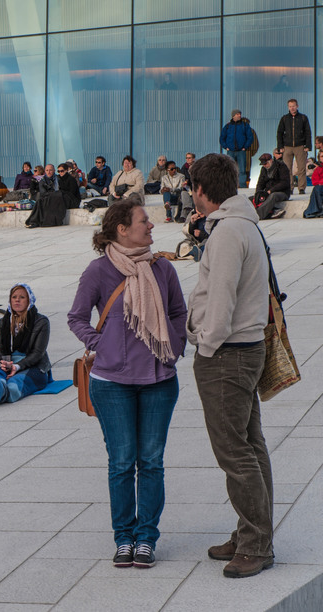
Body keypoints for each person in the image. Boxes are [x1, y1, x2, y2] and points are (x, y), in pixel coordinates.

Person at [68, 200, 187, 571]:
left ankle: (146, 538)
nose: (151, 225)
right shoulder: (99, 271)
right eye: (143, 221)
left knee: (151, 462)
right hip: (112, 383)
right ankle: (124, 538)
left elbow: (178, 312)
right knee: (121, 463)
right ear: (121, 228)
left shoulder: (162, 268)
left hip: (158, 380)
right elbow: (76, 317)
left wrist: (174, 345)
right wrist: (100, 343)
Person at [186, 153, 274, 579]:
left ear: (202, 190)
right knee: (250, 446)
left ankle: (256, 544)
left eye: (192, 188)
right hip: (246, 349)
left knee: (236, 453)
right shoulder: (245, 224)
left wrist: (205, 345)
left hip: (227, 355)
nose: (191, 195)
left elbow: (219, 304)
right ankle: (250, 533)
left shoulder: (225, 235)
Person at [0, 284, 51, 406]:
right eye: (14, 297)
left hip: (33, 365)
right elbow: (1, 349)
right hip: (10, 362)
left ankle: (2, 393)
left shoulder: (41, 322)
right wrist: (6, 363)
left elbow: (38, 353)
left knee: (18, 381)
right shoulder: (4, 322)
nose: (17, 300)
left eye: (22, 297)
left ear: (29, 300)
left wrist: (17, 366)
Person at [277, 98, 312, 194]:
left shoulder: (303, 118)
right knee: (287, 168)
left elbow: (308, 132)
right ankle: (289, 187)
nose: (292, 108)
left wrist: (308, 145)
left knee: (301, 168)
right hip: (287, 146)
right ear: (288, 107)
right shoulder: (284, 118)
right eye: (290, 106)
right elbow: (279, 133)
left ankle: (301, 188)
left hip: (300, 146)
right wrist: (280, 146)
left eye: (293, 106)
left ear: (297, 106)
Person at [251, 152, 290, 220]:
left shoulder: (281, 166)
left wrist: (271, 191)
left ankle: (259, 214)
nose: (264, 166)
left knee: (273, 196)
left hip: (282, 192)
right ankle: (251, 213)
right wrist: (257, 193)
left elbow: (285, 182)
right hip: (268, 192)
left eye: (265, 164)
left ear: (271, 160)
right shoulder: (264, 169)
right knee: (252, 198)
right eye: (263, 164)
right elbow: (260, 183)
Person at [220, 109, 253, 188]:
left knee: (242, 170)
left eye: (240, 114)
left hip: (241, 151)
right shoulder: (227, 126)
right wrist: (225, 146)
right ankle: (230, 186)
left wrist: (245, 147)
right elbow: (222, 138)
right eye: (237, 114)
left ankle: (242, 186)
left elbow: (250, 137)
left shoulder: (245, 125)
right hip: (230, 151)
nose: (239, 115)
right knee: (230, 170)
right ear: (233, 116)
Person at [304, 136, 323, 218]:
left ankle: (318, 210)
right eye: (322, 157)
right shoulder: (318, 168)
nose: (315, 145)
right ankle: (316, 210)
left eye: (317, 143)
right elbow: (314, 180)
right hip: (320, 186)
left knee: (318, 189)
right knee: (317, 189)